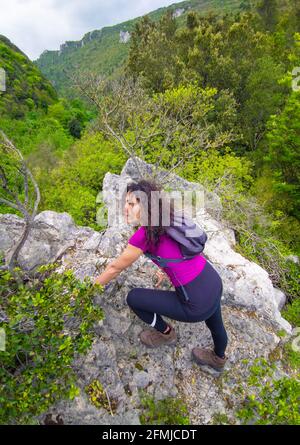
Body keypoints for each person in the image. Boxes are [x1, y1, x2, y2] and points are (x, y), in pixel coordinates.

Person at [94, 179, 228, 372]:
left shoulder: (143, 235)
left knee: (133, 298)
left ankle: (166, 333)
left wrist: (90, 288)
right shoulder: (169, 218)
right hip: (213, 282)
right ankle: (219, 358)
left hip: (195, 304)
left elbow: (115, 268)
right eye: (126, 202)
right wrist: (164, 268)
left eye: (132, 204)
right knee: (216, 324)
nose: (125, 208)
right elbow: (176, 249)